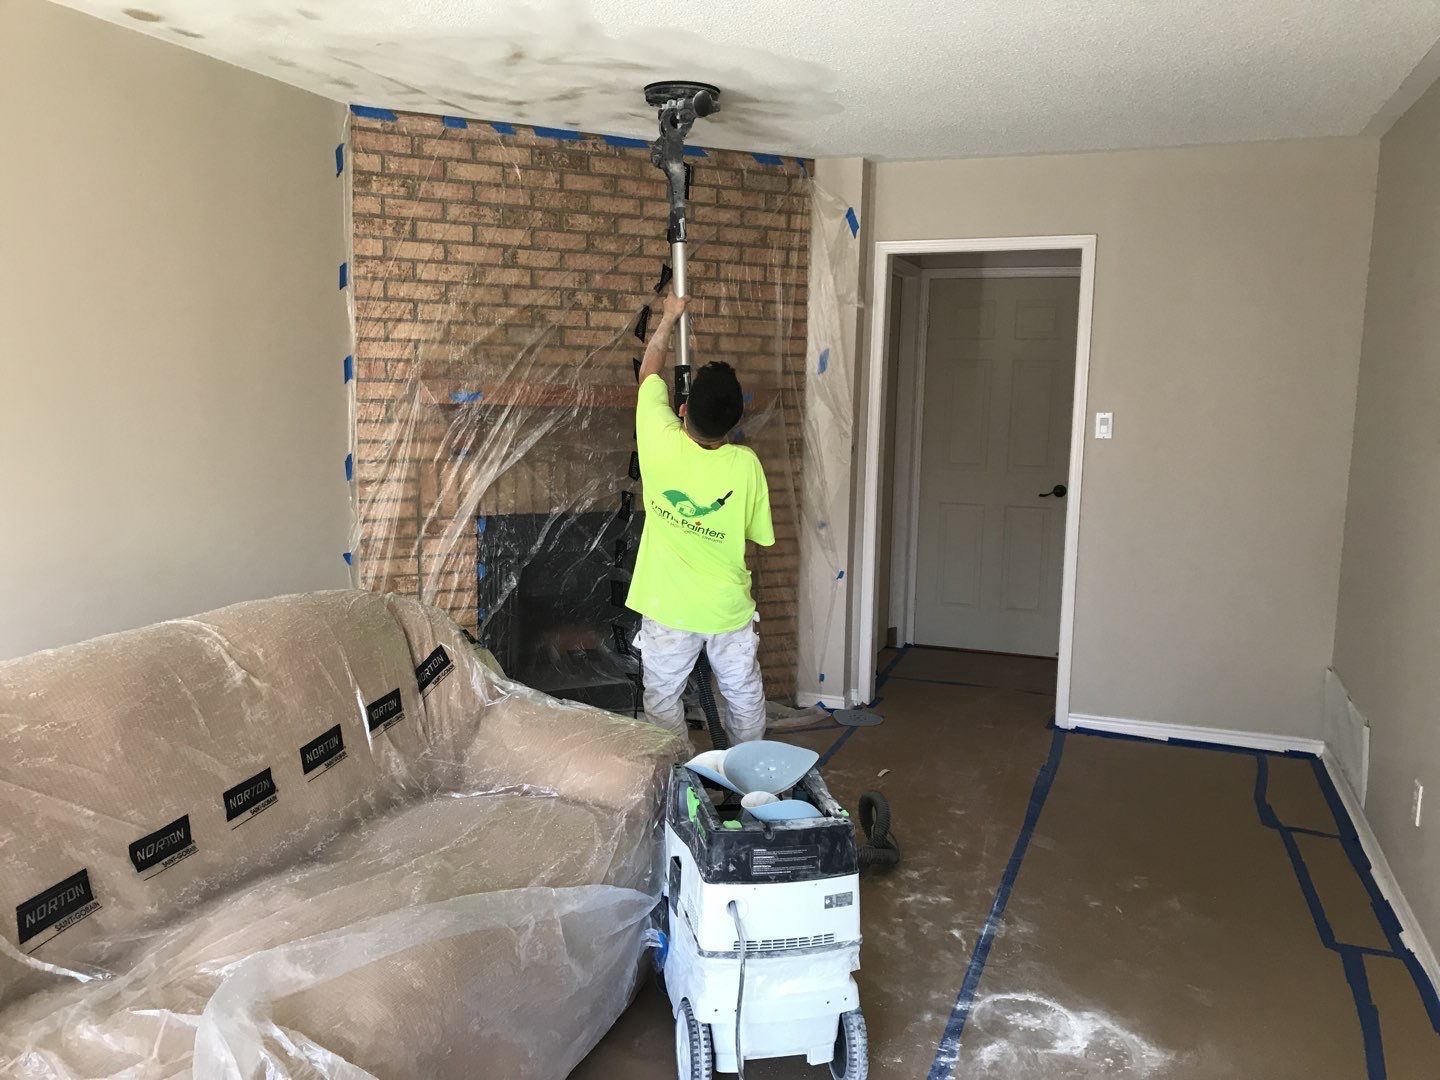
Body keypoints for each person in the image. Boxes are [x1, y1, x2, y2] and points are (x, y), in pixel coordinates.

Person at [626, 289, 774, 744]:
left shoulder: (658, 437)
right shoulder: (746, 465)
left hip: (668, 608)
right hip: (727, 609)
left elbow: (649, 372)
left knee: (662, 697)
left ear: (683, 408)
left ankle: (678, 773)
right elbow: (756, 538)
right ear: (733, 424)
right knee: (742, 693)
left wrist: (670, 316)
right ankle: (749, 771)